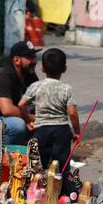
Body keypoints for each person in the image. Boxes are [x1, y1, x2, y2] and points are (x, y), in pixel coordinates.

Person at [18, 48, 80, 189]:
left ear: (42, 68)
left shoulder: (36, 86)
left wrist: (29, 120)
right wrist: (77, 132)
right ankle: (62, 193)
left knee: (39, 165)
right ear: (64, 69)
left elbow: (21, 104)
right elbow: (72, 113)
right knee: (62, 166)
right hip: (61, 131)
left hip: (41, 131)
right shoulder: (66, 88)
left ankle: (36, 192)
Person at [0, 40, 41, 146]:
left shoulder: (31, 77)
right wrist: (31, 118)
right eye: (30, 57)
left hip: (19, 120)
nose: (34, 61)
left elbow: (38, 104)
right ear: (16, 60)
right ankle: (0, 158)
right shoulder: (4, 77)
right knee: (18, 125)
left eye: (35, 56)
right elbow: (7, 110)